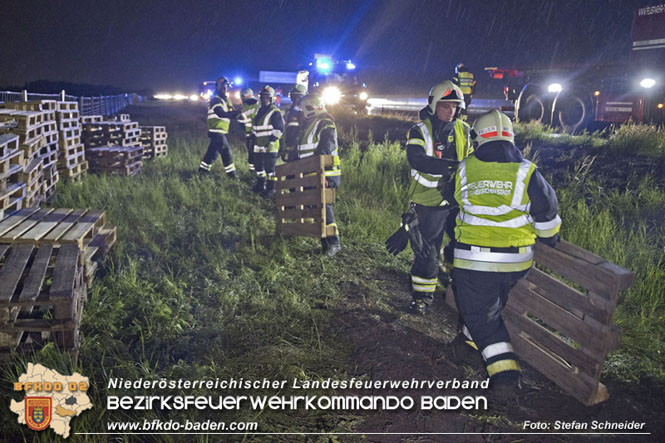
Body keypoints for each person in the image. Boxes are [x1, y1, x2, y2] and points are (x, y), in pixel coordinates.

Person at [446, 110, 561, 392]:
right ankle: (467, 346)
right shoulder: (527, 171)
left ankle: (506, 375)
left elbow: (449, 200)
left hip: (474, 261)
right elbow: (547, 212)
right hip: (516, 261)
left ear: (477, 139)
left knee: (483, 317)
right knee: (483, 309)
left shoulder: (464, 168)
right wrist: (550, 238)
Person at [406, 81, 472, 315]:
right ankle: (422, 298)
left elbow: (474, 159)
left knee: (462, 248)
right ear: (434, 105)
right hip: (428, 203)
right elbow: (417, 159)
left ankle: (454, 290)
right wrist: (451, 167)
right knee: (427, 253)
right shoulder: (420, 130)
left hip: (457, 202)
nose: (451, 111)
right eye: (446, 106)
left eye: (455, 106)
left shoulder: (464, 130)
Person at [295, 94, 341, 255]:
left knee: (323, 204)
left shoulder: (325, 123)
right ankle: (325, 242)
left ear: (311, 107)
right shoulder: (311, 123)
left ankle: (333, 242)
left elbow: (326, 148)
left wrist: (316, 170)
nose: (302, 112)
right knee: (315, 205)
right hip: (312, 171)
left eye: (304, 109)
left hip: (325, 172)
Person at [199, 76, 240, 178]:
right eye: (223, 86)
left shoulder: (226, 100)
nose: (225, 88)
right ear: (218, 87)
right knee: (226, 151)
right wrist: (234, 113)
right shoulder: (215, 99)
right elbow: (220, 113)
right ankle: (232, 175)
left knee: (213, 152)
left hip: (221, 130)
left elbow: (233, 113)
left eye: (226, 86)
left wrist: (240, 114)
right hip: (216, 129)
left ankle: (202, 170)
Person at [251, 85, 284, 198]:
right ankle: (260, 186)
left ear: (271, 98)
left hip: (270, 146)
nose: (264, 99)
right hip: (258, 145)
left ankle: (271, 189)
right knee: (259, 168)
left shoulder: (275, 112)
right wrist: (253, 140)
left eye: (267, 97)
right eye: (263, 97)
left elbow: (279, 129)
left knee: (270, 170)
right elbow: (255, 128)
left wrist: (271, 142)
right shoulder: (259, 111)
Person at [283, 84, 307, 161]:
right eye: (293, 97)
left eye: (298, 97)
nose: (296, 100)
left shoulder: (308, 111)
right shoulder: (289, 112)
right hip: (291, 147)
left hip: (303, 146)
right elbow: (285, 130)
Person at [238, 88, 259, 172]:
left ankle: (252, 171)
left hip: (249, 134)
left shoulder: (243, 107)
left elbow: (240, 122)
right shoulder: (258, 104)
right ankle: (258, 170)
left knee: (251, 153)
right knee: (257, 153)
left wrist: (246, 128)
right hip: (258, 133)